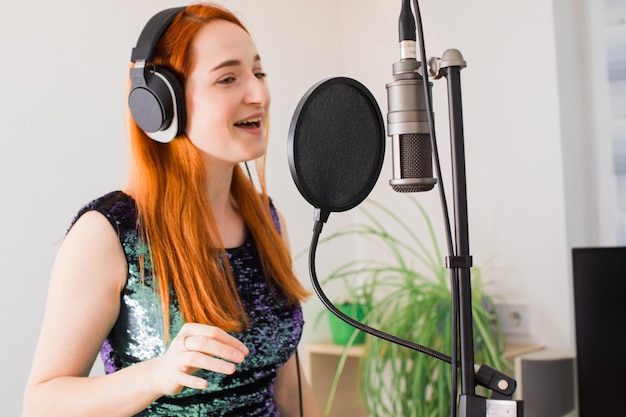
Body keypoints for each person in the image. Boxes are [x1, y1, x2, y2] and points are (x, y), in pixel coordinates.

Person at [22, 3, 322, 416]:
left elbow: (290, 395)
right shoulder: (108, 234)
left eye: (259, 72)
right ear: (161, 104)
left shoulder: (267, 221)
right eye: (228, 78)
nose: (260, 95)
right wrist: (157, 375)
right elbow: (41, 404)